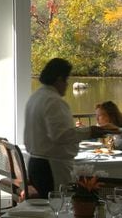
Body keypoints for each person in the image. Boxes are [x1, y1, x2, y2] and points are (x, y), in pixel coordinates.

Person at [24, 58, 119, 199]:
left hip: (37, 163)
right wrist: (92, 131)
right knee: (57, 207)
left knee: (47, 210)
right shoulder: (53, 101)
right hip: (51, 167)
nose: (67, 85)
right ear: (59, 79)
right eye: (66, 80)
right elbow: (61, 135)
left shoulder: (35, 97)